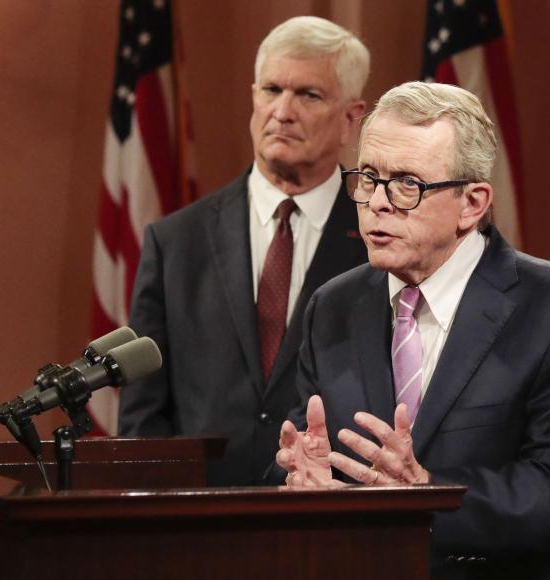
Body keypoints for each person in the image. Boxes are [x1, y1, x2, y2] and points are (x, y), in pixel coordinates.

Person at [276, 82, 550, 580]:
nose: (378, 202)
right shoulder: (332, 306)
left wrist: (427, 492)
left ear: (472, 203)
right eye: (368, 178)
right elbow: (309, 452)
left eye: (407, 183)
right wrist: (298, 481)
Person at [118, 17, 371, 486]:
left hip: (332, 523)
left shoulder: (381, 241)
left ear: (351, 119)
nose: (282, 111)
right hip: (198, 528)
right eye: (271, 89)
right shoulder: (175, 241)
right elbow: (142, 418)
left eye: (308, 95)